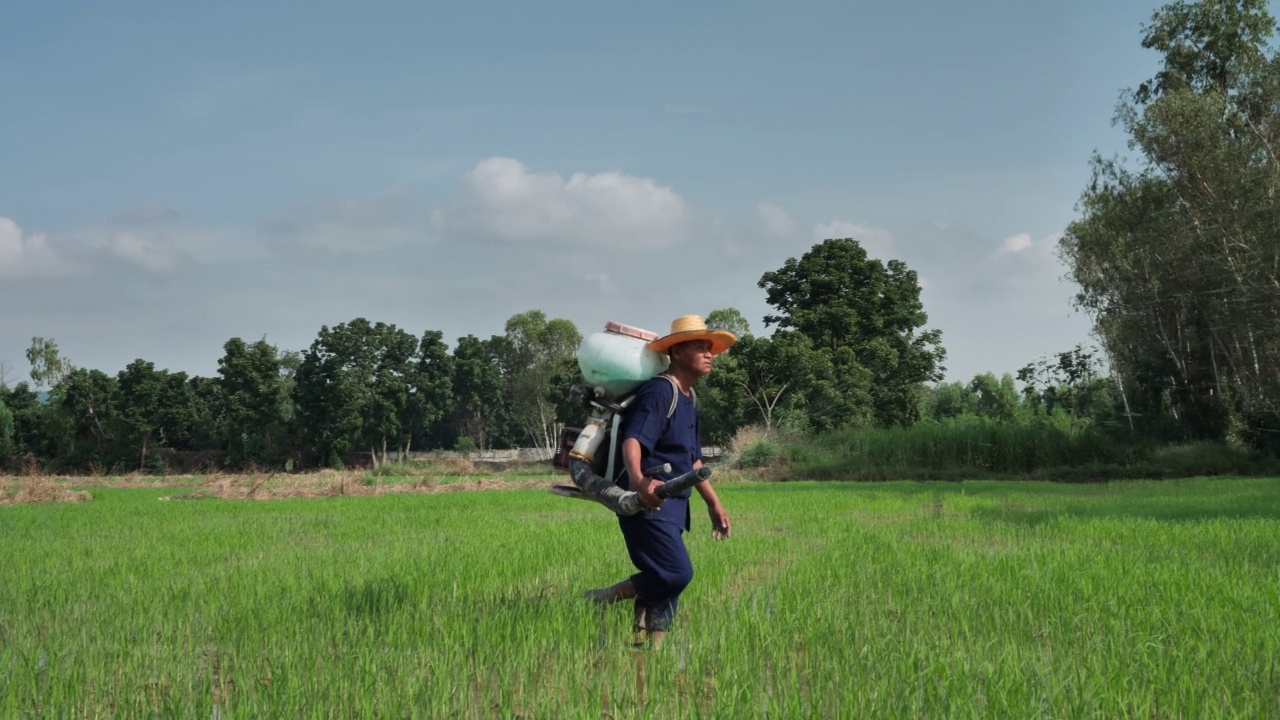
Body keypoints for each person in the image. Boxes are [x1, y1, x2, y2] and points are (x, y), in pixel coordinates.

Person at [584, 315, 734, 648]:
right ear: (677, 352)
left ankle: (651, 647)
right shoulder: (659, 391)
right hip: (648, 501)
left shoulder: (690, 397)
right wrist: (638, 481)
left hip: (676, 504)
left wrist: (714, 502)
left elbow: (693, 459)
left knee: (665, 578)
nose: (709, 354)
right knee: (676, 573)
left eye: (710, 348)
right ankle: (602, 598)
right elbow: (634, 440)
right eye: (700, 346)